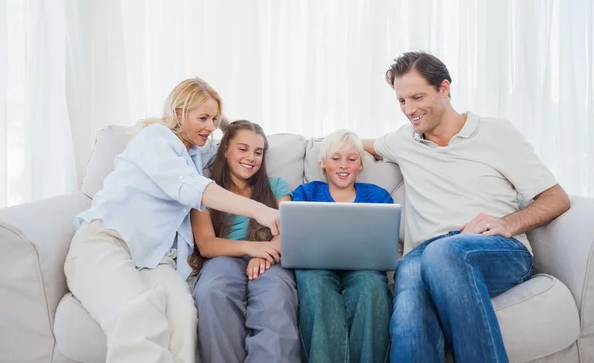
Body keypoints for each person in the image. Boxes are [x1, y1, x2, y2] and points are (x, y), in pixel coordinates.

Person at [362, 51, 571, 363]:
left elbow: (557, 198)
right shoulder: (403, 140)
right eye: (402, 101)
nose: (409, 110)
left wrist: (508, 223)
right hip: (423, 256)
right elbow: (353, 144)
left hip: (496, 248)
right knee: (409, 303)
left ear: (444, 89)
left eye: (417, 97)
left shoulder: (497, 133)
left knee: (442, 252)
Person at [64, 78, 280, 363]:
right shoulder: (155, 138)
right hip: (108, 240)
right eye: (202, 117)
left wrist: (220, 122)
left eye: (214, 119)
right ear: (178, 113)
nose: (210, 126)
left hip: (155, 259)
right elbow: (191, 187)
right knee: (137, 317)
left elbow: (231, 144)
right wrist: (259, 210)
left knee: (183, 315)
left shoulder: (194, 153)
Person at [190, 120, 300, 363]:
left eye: (258, 152)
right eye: (243, 149)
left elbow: (290, 228)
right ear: (225, 149)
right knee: (212, 291)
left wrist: (264, 252)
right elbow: (207, 244)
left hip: (270, 259)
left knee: (275, 296)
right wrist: (253, 248)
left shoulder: (276, 185)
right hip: (224, 257)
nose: (251, 157)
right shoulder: (205, 189)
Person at [293, 129, 393, 363]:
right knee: (315, 289)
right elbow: (296, 236)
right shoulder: (307, 193)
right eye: (335, 158)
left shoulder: (378, 197)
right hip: (315, 267)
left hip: (365, 268)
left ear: (361, 164)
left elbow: (383, 243)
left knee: (372, 288)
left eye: (351, 158)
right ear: (322, 163)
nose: (343, 165)